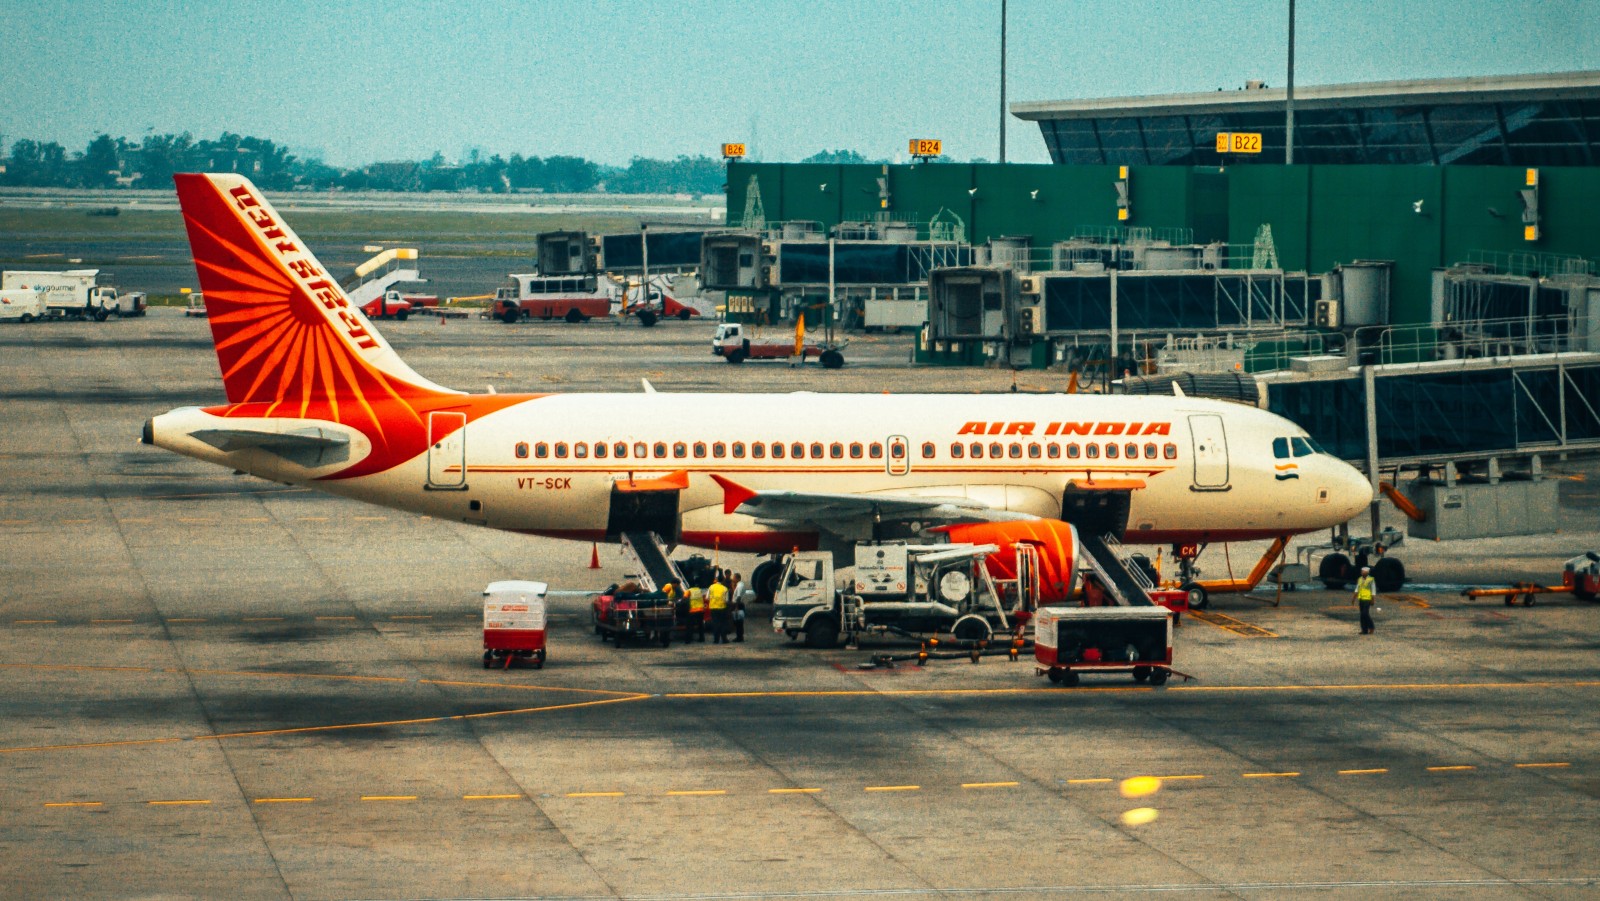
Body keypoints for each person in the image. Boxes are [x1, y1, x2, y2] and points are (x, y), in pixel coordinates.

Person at [1353, 566, 1377, 634]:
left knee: (1365, 613)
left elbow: (1373, 590)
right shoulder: (1360, 579)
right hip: (1361, 598)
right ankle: (1364, 630)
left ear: (1367, 572)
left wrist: (1373, 599)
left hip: (1368, 599)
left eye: (1363, 571)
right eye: (1361, 571)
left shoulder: (1371, 580)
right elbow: (1357, 589)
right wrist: (1354, 598)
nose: (1361, 572)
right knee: (1362, 615)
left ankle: (1371, 627)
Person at [707, 576, 731, 644]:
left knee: (715, 623)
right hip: (722, 608)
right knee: (723, 623)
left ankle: (716, 640)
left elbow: (707, 597)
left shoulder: (711, 587)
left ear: (716, 580)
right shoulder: (725, 588)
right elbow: (726, 600)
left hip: (713, 608)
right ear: (723, 581)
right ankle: (724, 639)